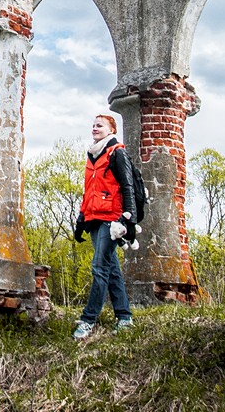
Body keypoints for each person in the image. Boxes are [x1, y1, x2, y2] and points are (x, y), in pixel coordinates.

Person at [72, 113, 139, 339]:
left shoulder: (117, 153)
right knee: (111, 269)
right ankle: (124, 316)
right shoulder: (92, 155)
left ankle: (88, 319)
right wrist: (81, 219)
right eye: (93, 125)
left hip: (112, 219)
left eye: (99, 125)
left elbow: (127, 187)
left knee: (99, 267)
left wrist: (129, 220)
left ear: (111, 130)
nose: (94, 128)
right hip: (93, 218)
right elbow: (89, 191)